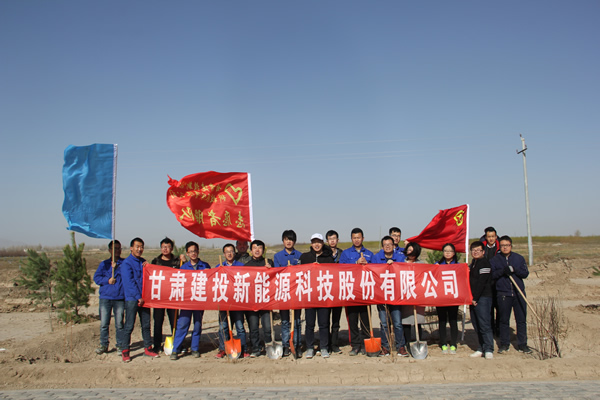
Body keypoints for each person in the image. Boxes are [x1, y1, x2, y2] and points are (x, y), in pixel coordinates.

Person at [120, 237, 159, 362]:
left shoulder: (143, 262)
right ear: (131, 248)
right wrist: (138, 297)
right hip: (133, 299)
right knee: (129, 325)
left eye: (141, 247)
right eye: (137, 246)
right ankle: (125, 350)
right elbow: (129, 283)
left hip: (144, 299)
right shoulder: (126, 263)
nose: (139, 249)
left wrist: (149, 267)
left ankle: (148, 348)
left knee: (146, 325)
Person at [170, 241, 210, 360]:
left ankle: (195, 348)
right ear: (187, 253)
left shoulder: (205, 266)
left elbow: (210, 282)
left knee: (197, 324)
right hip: (187, 301)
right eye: (191, 251)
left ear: (198, 251)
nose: (193, 253)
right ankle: (176, 349)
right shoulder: (183, 267)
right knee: (182, 324)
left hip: (199, 300)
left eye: (195, 251)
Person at [491, 235, 531, 354]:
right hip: (503, 293)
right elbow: (492, 275)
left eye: (507, 245)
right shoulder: (495, 260)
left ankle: (522, 344)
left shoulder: (518, 258)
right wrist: (502, 271)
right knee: (503, 320)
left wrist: (514, 270)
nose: (505, 247)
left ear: (511, 246)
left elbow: (525, 273)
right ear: (499, 247)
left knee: (521, 320)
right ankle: (504, 344)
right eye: (502, 245)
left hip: (519, 293)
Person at [371, 236, 409, 357]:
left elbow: (405, 270)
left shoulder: (400, 257)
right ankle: (385, 347)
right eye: (385, 245)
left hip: (395, 296)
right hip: (381, 296)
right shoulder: (376, 258)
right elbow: (371, 271)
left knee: (397, 323)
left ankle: (400, 346)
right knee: (384, 323)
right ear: (382, 247)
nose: (387, 246)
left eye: (390, 244)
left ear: (393, 246)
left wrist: (395, 265)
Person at [339, 228, 374, 356]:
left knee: (366, 320)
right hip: (351, 292)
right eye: (354, 238)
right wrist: (355, 263)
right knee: (352, 321)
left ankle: (365, 344)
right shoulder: (346, 253)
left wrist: (368, 265)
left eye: (358, 237)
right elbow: (341, 269)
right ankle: (355, 345)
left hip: (365, 292)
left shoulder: (369, 254)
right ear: (351, 239)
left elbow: (376, 270)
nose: (356, 240)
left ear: (363, 238)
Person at [299, 233, 334, 359]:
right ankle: (310, 347)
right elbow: (298, 273)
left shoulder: (328, 258)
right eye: (314, 242)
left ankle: (324, 347)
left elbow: (334, 274)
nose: (316, 244)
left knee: (323, 324)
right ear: (311, 244)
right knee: (309, 324)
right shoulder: (305, 257)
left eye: (319, 242)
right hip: (310, 295)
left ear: (323, 243)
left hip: (324, 295)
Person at [150, 237, 185, 353]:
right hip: (159, 297)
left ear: (172, 248)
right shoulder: (155, 262)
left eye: (168, 247)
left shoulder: (177, 261)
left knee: (174, 322)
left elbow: (186, 273)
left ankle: (177, 344)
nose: (165, 249)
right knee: (158, 321)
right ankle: (156, 345)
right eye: (163, 247)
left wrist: (184, 261)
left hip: (173, 296)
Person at [215, 243, 248, 359]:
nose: (229, 254)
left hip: (237, 301)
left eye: (231, 251)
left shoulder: (241, 266)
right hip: (223, 301)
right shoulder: (219, 267)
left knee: (240, 326)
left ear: (234, 252)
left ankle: (243, 349)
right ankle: (223, 349)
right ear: (224, 254)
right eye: (227, 252)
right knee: (223, 327)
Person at [273, 230, 303, 357]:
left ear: (294, 241)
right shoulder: (278, 256)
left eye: (291, 239)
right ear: (283, 241)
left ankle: (297, 344)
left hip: (296, 293)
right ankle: (285, 345)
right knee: (285, 321)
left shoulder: (300, 255)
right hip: (283, 293)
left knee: (297, 320)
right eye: (286, 239)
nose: (288, 242)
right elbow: (276, 273)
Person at [93, 240, 125, 355]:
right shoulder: (104, 264)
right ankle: (103, 345)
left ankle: (120, 345)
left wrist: (117, 268)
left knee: (119, 324)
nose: (117, 251)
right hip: (106, 297)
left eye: (119, 248)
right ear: (109, 250)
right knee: (104, 324)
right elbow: (96, 278)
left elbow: (128, 275)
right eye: (114, 248)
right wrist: (107, 280)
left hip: (119, 298)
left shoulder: (124, 263)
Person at [244, 239, 273, 357]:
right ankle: (255, 348)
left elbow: (275, 279)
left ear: (263, 250)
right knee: (254, 327)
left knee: (267, 326)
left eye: (260, 248)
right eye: (254, 248)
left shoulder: (268, 262)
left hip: (266, 300)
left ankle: (268, 346)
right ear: (251, 251)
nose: (257, 250)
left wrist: (271, 270)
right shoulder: (247, 266)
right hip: (252, 301)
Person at [468, 241, 494, 359]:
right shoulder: (474, 263)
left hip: (482, 298)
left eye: (478, 250)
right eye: (473, 250)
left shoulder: (484, 263)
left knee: (484, 324)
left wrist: (475, 298)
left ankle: (488, 348)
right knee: (476, 324)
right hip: (473, 298)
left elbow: (482, 282)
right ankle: (481, 347)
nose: (476, 252)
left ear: (483, 252)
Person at [400, 242, 426, 349]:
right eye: (409, 250)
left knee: (418, 319)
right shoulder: (401, 263)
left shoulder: (421, 264)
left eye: (413, 250)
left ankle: (418, 341)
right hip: (405, 295)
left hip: (418, 295)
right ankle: (407, 342)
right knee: (406, 320)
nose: (410, 252)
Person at [436, 243, 460, 355]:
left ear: (454, 253)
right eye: (445, 251)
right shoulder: (438, 265)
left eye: (450, 251)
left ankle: (454, 344)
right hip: (441, 297)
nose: (448, 253)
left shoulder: (458, 266)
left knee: (453, 320)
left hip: (453, 297)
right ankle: (443, 343)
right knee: (442, 321)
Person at [326, 229, 344, 353]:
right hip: (326, 290)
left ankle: (334, 343)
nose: (332, 241)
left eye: (334, 239)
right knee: (325, 320)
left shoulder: (342, 254)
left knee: (336, 320)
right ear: (327, 241)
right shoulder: (323, 254)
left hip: (338, 291)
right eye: (330, 239)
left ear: (337, 240)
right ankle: (326, 343)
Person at [482, 226, 501, 336]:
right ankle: (491, 328)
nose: (491, 239)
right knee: (489, 307)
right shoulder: (482, 248)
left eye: (493, 236)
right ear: (486, 237)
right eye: (489, 237)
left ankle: (498, 328)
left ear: (496, 236)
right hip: (486, 282)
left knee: (499, 306)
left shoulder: (500, 248)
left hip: (498, 281)